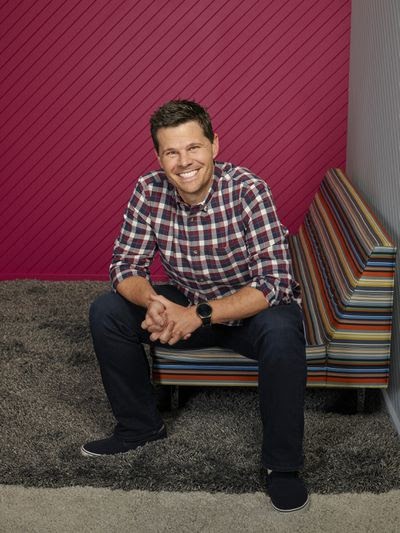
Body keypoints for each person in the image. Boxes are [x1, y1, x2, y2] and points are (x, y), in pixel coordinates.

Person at [81, 100, 308, 512]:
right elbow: (125, 265)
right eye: (171, 152)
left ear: (214, 145)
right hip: (190, 304)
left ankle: (283, 466)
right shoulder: (148, 190)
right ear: (159, 157)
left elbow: (274, 284)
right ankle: (139, 427)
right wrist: (152, 301)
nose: (184, 161)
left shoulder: (249, 190)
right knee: (107, 312)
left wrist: (197, 314)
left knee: (283, 331)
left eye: (193, 148)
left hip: (254, 313)